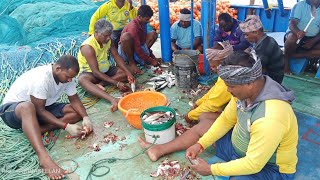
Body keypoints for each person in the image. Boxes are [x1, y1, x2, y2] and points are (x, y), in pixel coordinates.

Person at [186, 51, 298, 179]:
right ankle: (160, 150)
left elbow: (253, 164)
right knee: (204, 127)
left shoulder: (271, 117)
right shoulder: (244, 93)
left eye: (231, 86)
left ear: (250, 83)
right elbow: (226, 120)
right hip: (237, 151)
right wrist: (200, 145)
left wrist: (211, 169)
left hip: (270, 167)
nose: (228, 90)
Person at [0, 55, 93, 179]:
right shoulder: (41, 78)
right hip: (14, 112)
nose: (70, 80)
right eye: (68, 77)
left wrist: (86, 117)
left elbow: (74, 99)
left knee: (75, 112)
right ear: (58, 69)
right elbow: (39, 110)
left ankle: (38, 129)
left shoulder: (67, 78)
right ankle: (44, 158)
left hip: (42, 106)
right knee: (28, 107)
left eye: (72, 78)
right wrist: (65, 126)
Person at [138, 47, 232, 162]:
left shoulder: (228, 84)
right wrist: (198, 103)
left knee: (203, 123)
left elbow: (212, 104)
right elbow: (213, 93)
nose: (212, 69)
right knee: (204, 116)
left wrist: (190, 116)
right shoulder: (228, 78)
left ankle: (160, 149)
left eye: (214, 66)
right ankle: (160, 148)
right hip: (234, 125)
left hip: (237, 149)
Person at [78, 19, 135, 112]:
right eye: (105, 36)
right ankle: (112, 99)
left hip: (106, 71)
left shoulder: (108, 41)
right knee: (82, 80)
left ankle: (100, 85)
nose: (108, 38)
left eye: (109, 35)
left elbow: (116, 56)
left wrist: (128, 73)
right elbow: (96, 72)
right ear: (96, 33)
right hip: (91, 74)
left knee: (128, 71)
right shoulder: (88, 47)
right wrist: (116, 83)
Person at [239, 15, 284, 84]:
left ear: (256, 32)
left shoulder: (265, 45)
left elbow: (257, 67)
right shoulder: (264, 40)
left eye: (247, 35)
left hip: (273, 78)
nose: (245, 37)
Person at [118, 5, 160, 74]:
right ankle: (131, 63)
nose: (148, 21)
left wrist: (152, 56)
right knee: (126, 37)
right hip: (126, 51)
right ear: (140, 17)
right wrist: (151, 60)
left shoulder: (141, 24)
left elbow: (142, 43)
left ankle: (140, 59)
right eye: (146, 19)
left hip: (137, 48)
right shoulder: (133, 27)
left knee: (153, 34)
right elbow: (137, 49)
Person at [284, 0, 320, 74]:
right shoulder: (300, 5)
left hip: (312, 38)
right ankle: (286, 60)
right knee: (291, 38)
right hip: (296, 34)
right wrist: (298, 32)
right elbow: (292, 23)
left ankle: (291, 55)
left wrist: (313, 40)